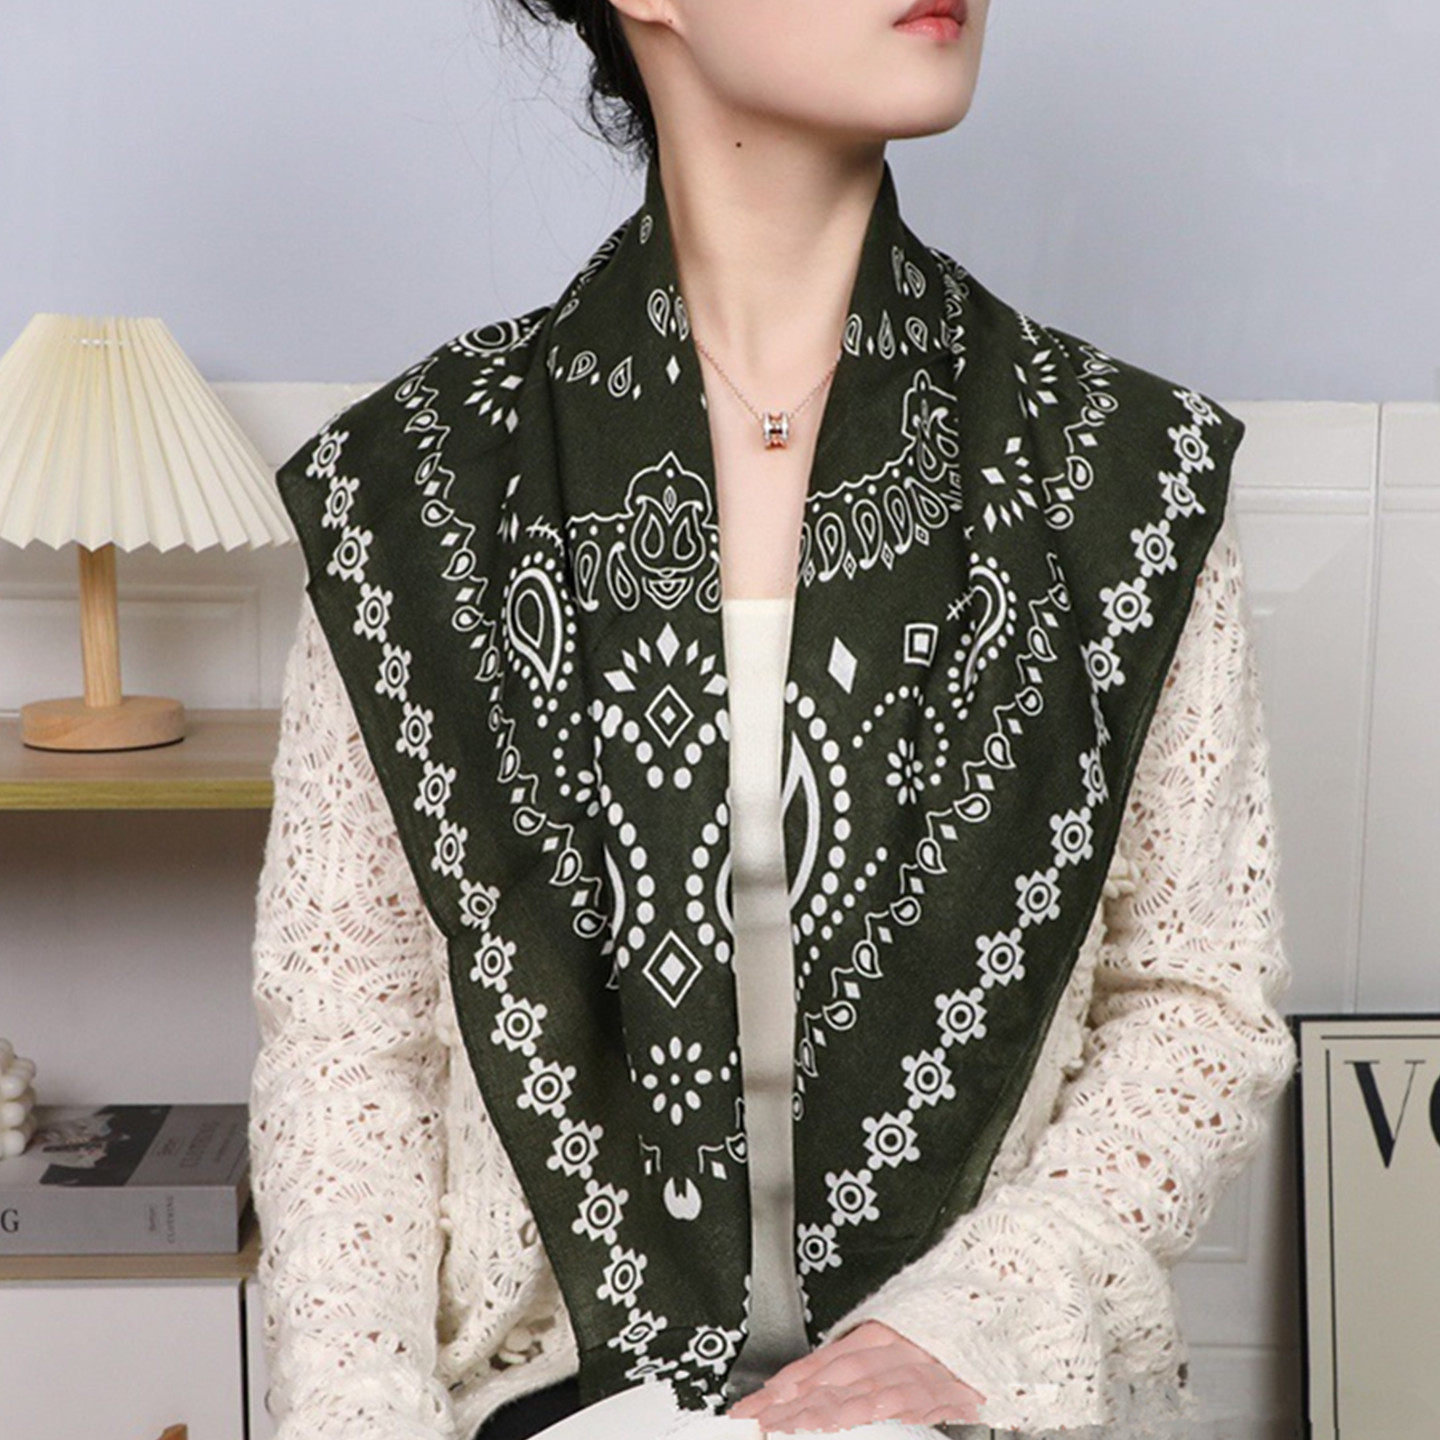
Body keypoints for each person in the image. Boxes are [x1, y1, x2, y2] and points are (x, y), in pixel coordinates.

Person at [247, 2, 1299, 1438]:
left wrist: (983, 1314)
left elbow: (1196, 998)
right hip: (556, 1408)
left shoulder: (1117, 476)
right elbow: (347, 1053)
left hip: (971, 1405)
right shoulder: (419, 496)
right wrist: (363, 1415)